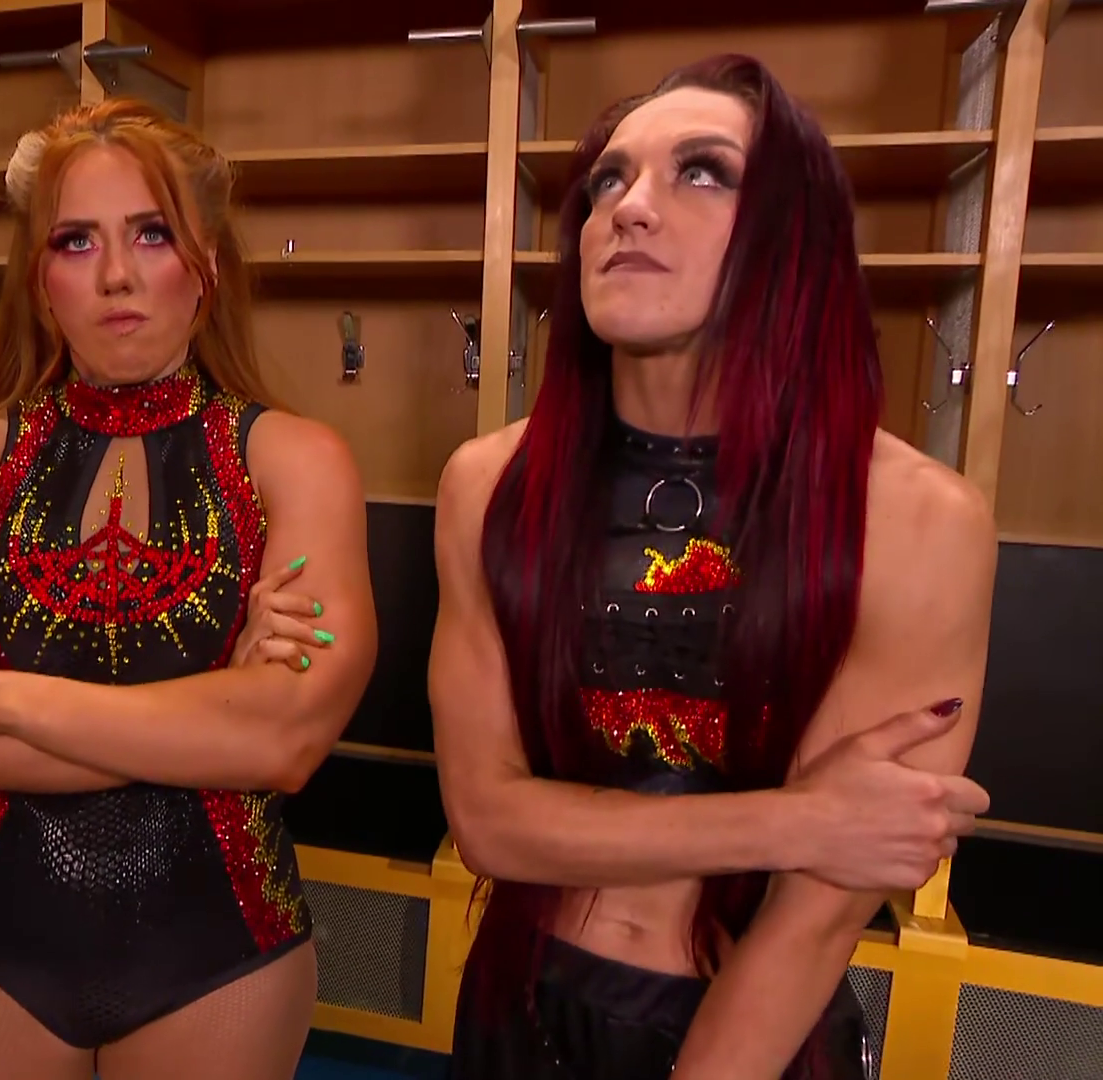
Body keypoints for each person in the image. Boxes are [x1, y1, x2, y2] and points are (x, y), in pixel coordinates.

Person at [429, 54, 997, 1080]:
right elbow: (490, 823)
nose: (630, 208)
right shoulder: (488, 483)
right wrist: (800, 819)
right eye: (607, 180)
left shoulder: (915, 516)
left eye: (702, 171)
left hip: (749, 1031)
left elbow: (819, 913)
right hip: (518, 1003)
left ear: (793, 234)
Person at [0, 98, 378, 1080]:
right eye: (76, 240)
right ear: (39, 278)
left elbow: (284, 742)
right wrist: (215, 706)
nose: (117, 275)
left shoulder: (296, 462)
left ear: (207, 265)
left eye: (152, 234)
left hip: (222, 952)